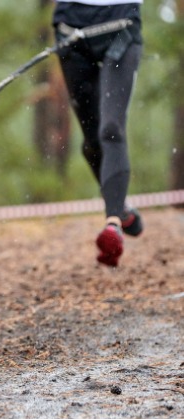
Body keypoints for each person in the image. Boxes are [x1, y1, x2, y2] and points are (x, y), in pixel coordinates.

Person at [52, 0, 143, 267]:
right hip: (71, 26)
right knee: (92, 142)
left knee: (111, 128)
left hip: (122, 22)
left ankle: (112, 223)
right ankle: (120, 207)